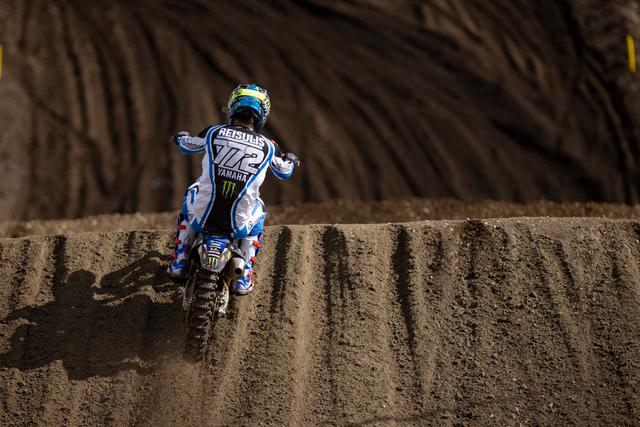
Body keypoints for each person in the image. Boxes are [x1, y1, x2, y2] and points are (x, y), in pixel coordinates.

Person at [167, 83, 299, 295]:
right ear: (261, 114)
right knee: (259, 209)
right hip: (238, 224)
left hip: (202, 217)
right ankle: (244, 274)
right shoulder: (269, 146)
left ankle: (180, 260)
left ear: (233, 106)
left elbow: (187, 146)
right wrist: (291, 159)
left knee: (192, 190)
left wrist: (180, 137)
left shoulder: (213, 132)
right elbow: (284, 172)